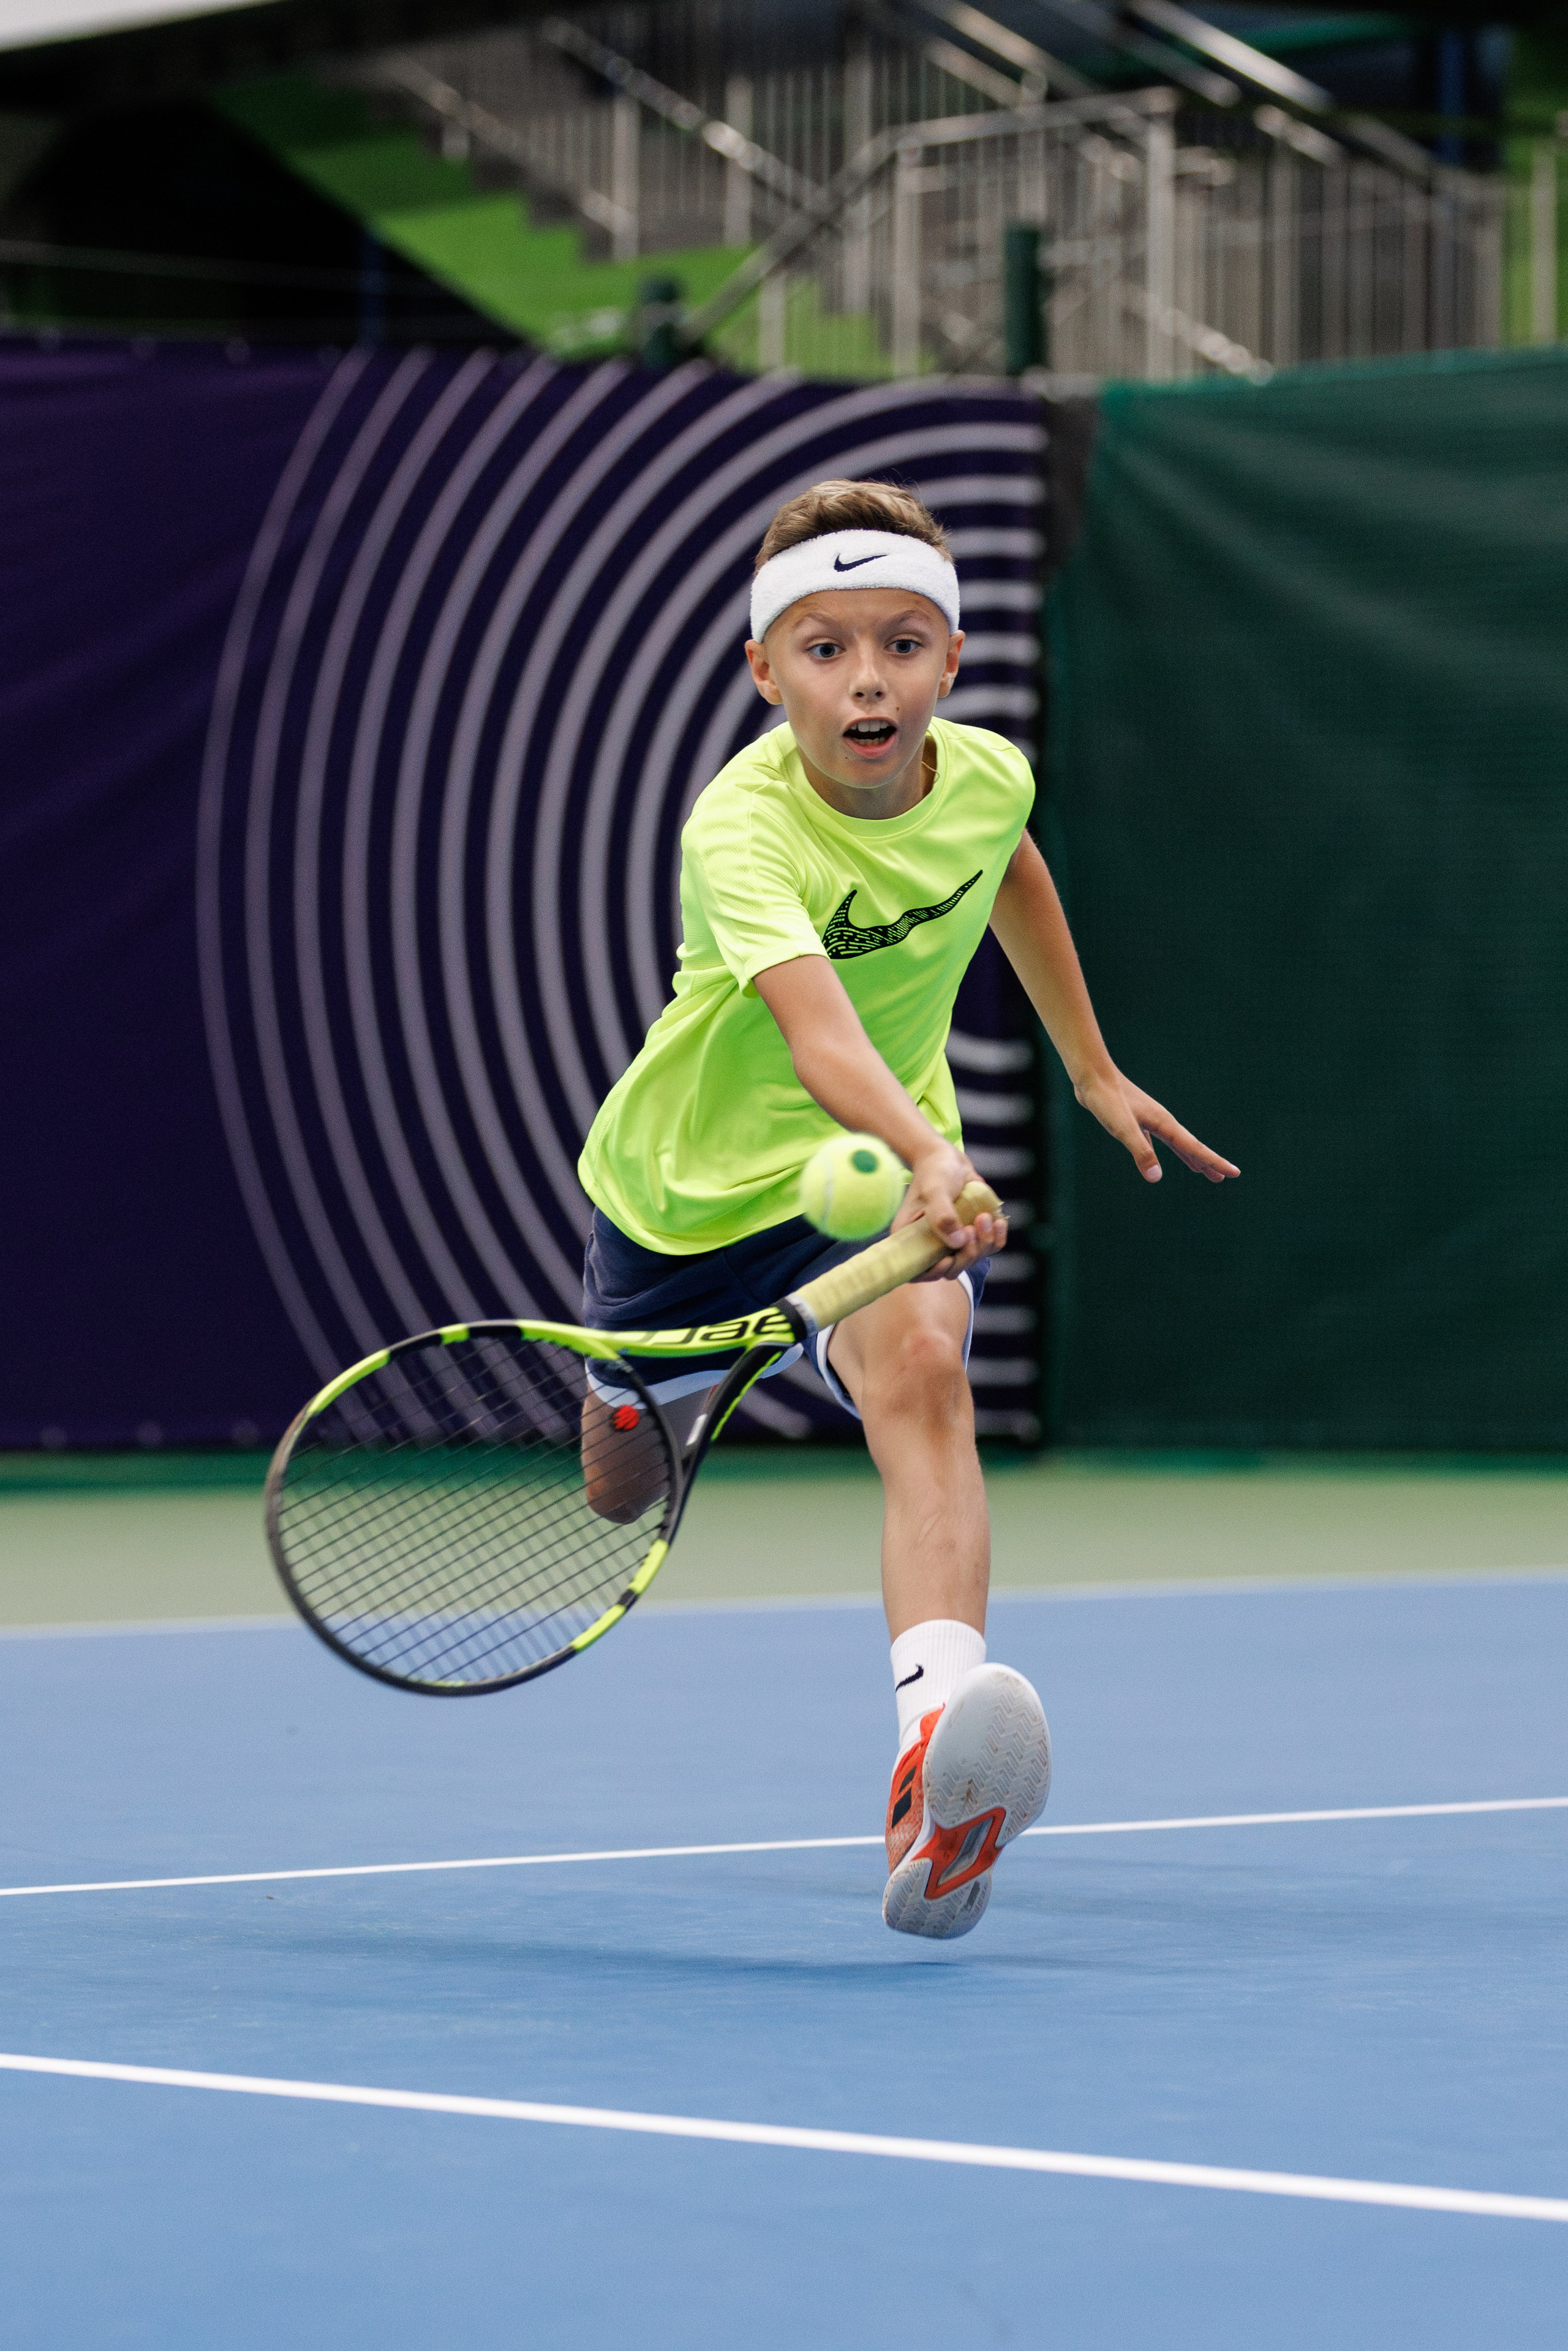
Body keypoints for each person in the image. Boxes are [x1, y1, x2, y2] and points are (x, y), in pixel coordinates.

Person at [577, 477, 1237, 1939]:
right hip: (684, 1199)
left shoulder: (986, 773)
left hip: (875, 1180)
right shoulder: (738, 828)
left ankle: (932, 1761)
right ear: (765, 672)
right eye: (824, 648)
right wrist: (933, 1152)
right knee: (620, 1489)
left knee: (929, 1371)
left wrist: (1088, 1068)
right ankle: (642, 1400)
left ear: (950, 658)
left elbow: (1007, 866)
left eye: (900, 642)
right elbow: (817, 1033)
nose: (865, 678)